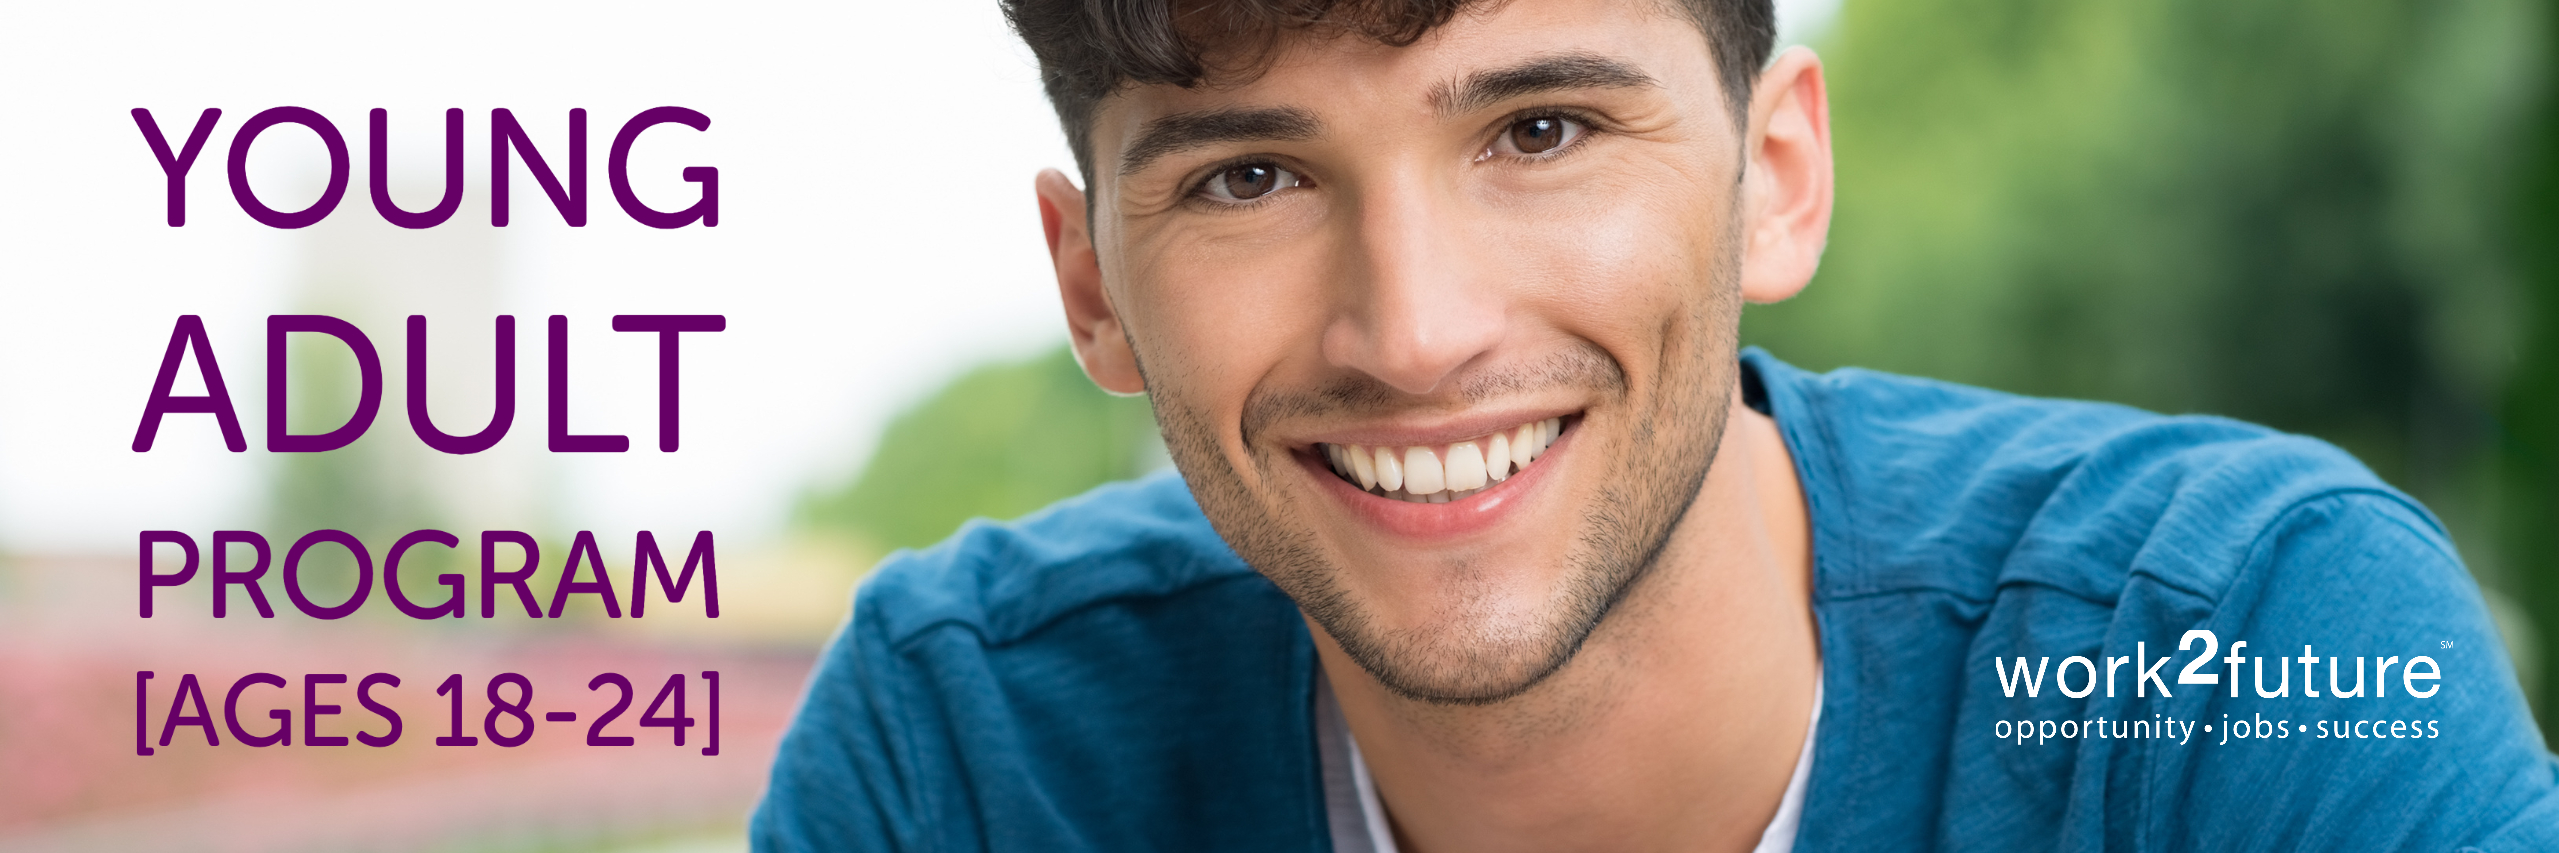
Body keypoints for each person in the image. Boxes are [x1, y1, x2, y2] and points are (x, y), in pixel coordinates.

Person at [753, 0, 2559, 849]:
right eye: (1247, 176)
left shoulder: (2234, 659)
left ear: (1775, 175)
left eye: (1539, 132)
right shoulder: (972, 756)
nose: (1415, 329)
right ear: (1092, 288)